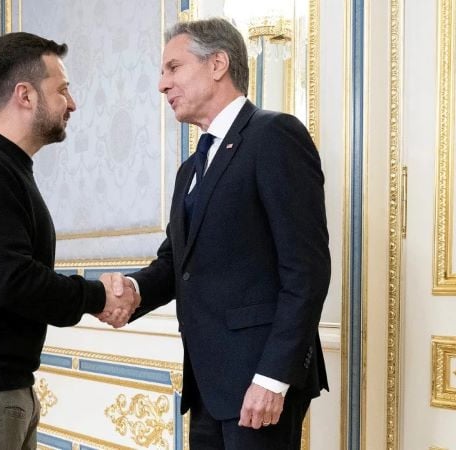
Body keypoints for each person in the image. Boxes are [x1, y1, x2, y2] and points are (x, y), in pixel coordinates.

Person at [101, 18, 330, 449]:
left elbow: (307, 270)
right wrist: (131, 290)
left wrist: (273, 378)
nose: (162, 85)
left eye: (173, 68)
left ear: (218, 64)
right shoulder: (192, 167)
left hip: (259, 384)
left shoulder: (274, 136)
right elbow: (176, 263)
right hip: (208, 385)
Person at [0, 32, 139, 450]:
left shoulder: (2, 166)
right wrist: (97, 295)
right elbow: (12, 280)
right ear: (25, 95)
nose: (72, 104)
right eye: (63, 90)